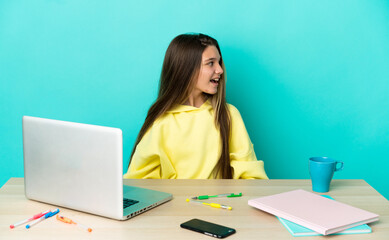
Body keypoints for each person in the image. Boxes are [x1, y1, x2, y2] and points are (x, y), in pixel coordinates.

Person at [123, 33, 268, 179]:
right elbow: (140, 183)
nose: (220, 70)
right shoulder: (162, 122)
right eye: (211, 63)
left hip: (218, 201)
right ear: (187, 69)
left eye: (219, 62)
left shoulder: (228, 115)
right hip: (176, 202)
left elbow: (251, 176)